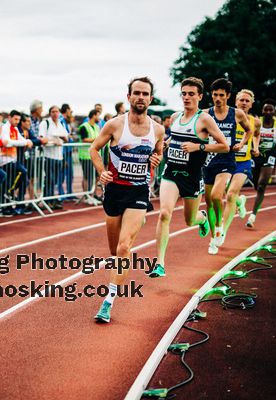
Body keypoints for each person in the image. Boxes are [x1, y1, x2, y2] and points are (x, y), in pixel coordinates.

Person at [90, 77, 164, 323]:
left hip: (138, 192)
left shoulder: (158, 129)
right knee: (115, 253)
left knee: (124, 248)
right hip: (114, 192)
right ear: (129, 96)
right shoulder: (114, 125)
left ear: (150, 98)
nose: (141, 97)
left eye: (145, 93)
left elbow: (158, 153)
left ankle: (108, 303)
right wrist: (102, 170)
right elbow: (93, 148)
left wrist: (156, 159)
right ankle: (118, 274)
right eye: (137, 93)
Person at [151, 77, 229, 278]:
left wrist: (199, 146)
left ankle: (201, 219)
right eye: (184, 93)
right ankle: (159, 263)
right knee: (164, 214)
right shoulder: (176, 117)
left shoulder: (204, 119)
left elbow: (224, 145)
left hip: (192, 177)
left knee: (189, 220)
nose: (186, 97)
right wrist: (168, 143)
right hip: (171, 173)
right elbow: (174, 138)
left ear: (200, 96)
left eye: (191, 94)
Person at [202, 78, 251, 254]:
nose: (217, 98)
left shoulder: (236, 114)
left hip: (227, 159)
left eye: (221, 95)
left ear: (228, 96)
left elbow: (249, 130)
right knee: (208, 201)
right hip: (208, 161)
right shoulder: (206, 114)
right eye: (215, 95)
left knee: (217, 194)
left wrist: (241, 143)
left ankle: (219, 226)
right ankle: (213, 238)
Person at [221, 89, 260, 239]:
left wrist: (255, 147)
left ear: (251, 104)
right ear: (236, 101)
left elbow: (256, 135)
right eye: (241, 100)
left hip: (243, 163)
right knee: (226, 192)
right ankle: (240, 201)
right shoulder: (228, 118)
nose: (244, 103)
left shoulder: (255, 122)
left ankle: (223, 230)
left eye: (247, 101)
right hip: (226, 161)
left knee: (230, 194)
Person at [246, 99, 276, 227]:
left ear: (274, 111)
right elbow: (250, 135)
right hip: (256, 154)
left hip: (270, 155)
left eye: (271, 110)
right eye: (265, 110)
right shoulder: (257, 122)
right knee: (256, 184)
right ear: (262, 111)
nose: (268, 112)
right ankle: (259, 195)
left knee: (262, 185)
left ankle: (253, 215)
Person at [0, 110, 31, 216]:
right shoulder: (5, 127)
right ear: (9, 117)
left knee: (23, 177)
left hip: (12, 159)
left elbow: (21, 140)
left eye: (18, 120)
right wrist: (25, 142)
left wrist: (26, 141)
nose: (17, 121)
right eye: (15, 119)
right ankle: (4, 206)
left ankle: (17, 202)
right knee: (8, 182)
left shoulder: (15, 129)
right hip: (4, 160)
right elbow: (7, 142)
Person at [38, 105, 68, 210]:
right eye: (53, 111)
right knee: (49, 179)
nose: (55, 113)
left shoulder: (60, 123)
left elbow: (67, 138)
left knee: (54, 180)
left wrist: (62, 138)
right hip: (48, 156)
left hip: (59, 157)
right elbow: (42, 139)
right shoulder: (45, 123)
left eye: (57, 111)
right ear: (50, 113)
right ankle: (47, 200)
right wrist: (53, 141)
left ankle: (50, 199)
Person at [78, 109, 100, 203]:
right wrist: (95, 140)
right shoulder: (84, 126)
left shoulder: (97, 127)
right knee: (87, 176)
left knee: (96, 176)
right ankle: (86, 196)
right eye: (98, 115)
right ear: (94, 115)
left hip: (95, 155)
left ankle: (92, 194)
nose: (99, 117)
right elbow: (84, 139)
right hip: (85, 155)